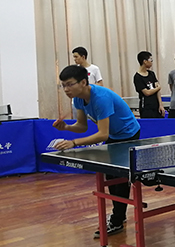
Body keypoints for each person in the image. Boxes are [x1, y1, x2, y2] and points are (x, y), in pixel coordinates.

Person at [52, 65, 141, 237]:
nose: (66, 89)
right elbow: (82, 126)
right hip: (114, 135)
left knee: (120, 178)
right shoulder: (78, 99)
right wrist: (66, 128)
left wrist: (73, 143)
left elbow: (102, 134)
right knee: (111, 176)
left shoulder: (101, 98)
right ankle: (119, 215)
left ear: (83, 82)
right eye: (63, 85)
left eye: (70, 84)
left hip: (128, 133)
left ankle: (117, 220)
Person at [133, 51, 164, 119]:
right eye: (150, 60)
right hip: (146, 107)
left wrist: (161, 105)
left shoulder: (151, 74)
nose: (152, 62)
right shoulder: (137, 77)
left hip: (156, 106)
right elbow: (147, 92)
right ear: (145, 61)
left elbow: (157, 91)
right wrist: (158, 88)